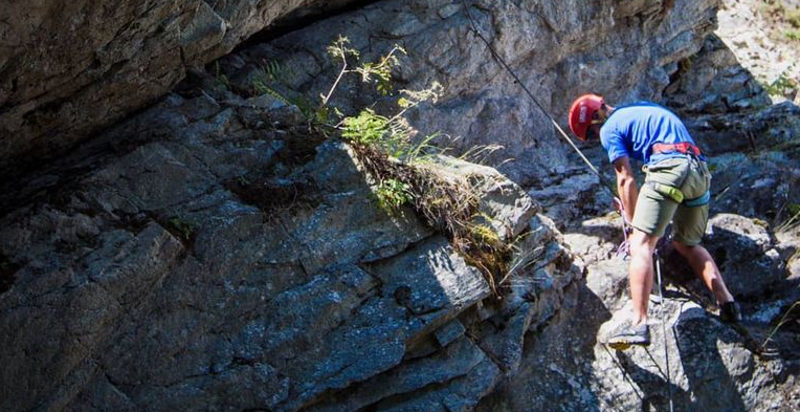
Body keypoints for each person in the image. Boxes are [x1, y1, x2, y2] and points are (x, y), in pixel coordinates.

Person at [567, 94, 741, 347]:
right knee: (688, 244)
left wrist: (631, 219)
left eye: (592, 134)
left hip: (668, 168)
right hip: (699, 172)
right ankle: (728, 303)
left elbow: (625, 178)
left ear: (595, 118)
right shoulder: (642, 109)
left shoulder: (610, 127)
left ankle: (638, 323)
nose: (597, 138)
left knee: (641, 245)